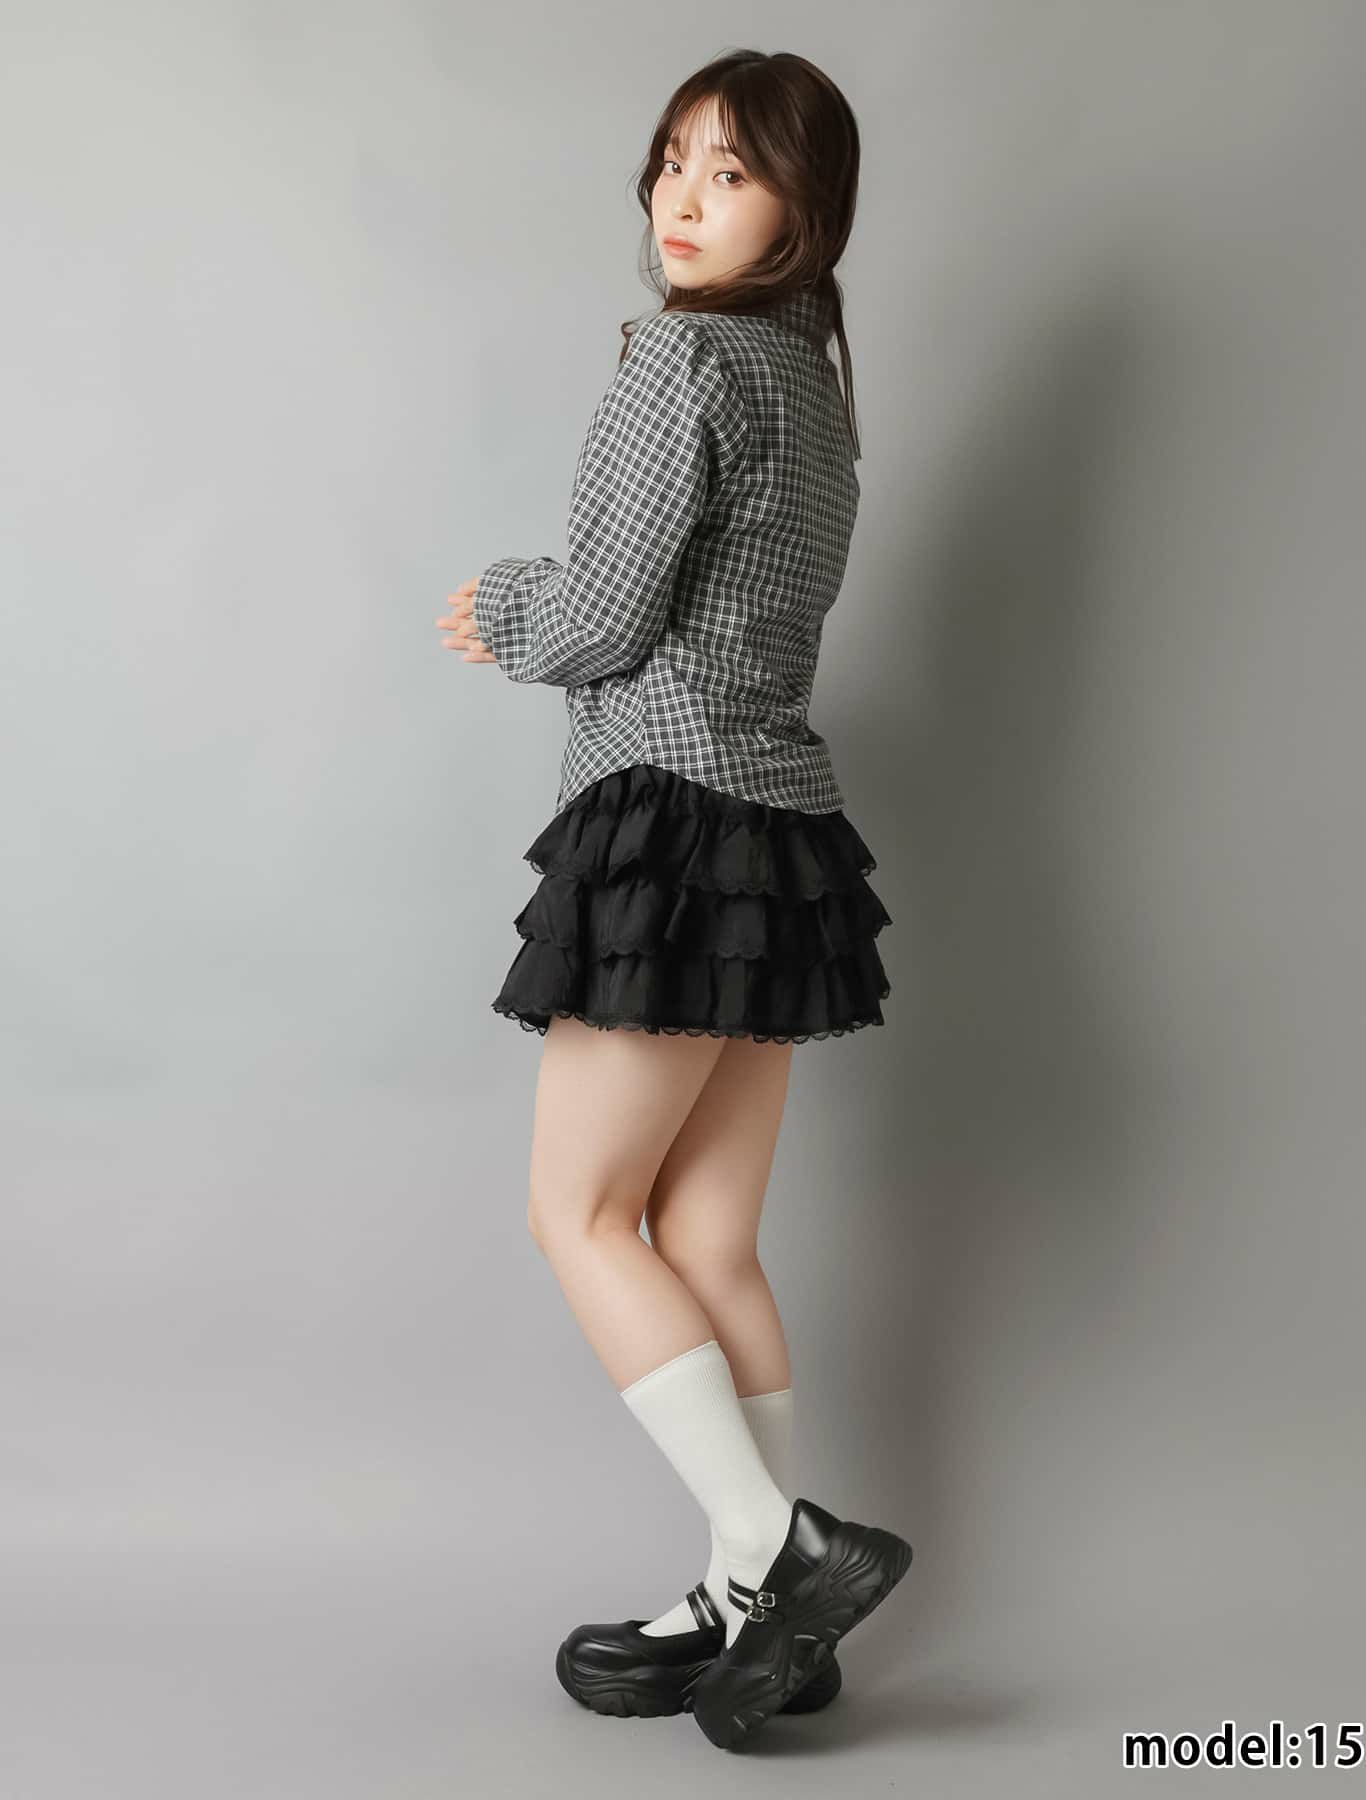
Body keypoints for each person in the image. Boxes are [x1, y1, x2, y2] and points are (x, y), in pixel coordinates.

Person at [436, 49, 911, 1751]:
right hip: (781, 835)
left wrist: (506, 604)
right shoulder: (816, 391)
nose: (683, 201)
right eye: (672, 163)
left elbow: (605, 617)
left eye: (731, 172)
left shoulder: (686, 361)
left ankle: (779, 1550)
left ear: (803, 208)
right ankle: (749, 1605)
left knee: (581, 1216)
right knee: (707, 1240)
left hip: (670, 824)